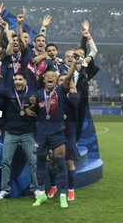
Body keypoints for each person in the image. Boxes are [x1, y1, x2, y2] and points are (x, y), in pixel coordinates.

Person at [27, 51, 80, 209]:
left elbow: (69, 77)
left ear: (56, 80)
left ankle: (63, 195)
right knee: (40, 164)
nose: (50, 77)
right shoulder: (38, 94)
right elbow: (31, 108)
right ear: (44, 79)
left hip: (57, 133)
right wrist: (30, 108)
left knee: (61, 163)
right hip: (42, 134)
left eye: (53, 76)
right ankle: (41, 194)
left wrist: (75, 62)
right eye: (47, 75)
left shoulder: (60, 92)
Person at [0, 71, 38, 199]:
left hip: (27, 133)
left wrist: (35, 104)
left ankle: (35, 189)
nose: (17, 82)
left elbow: (40, 110)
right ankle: (5, 190)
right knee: (6, 162)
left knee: (34, 162)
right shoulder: (9, 92)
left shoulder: (32, 95)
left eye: (20, 79)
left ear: (25, 81)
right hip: (10, 133)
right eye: (16, 79)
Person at [47, 73, 80, 201]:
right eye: (60, 80)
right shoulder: (52, 95)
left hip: (69, 133)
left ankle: (71, 189)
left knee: (69, 162)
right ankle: (53, 186)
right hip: (55, 133)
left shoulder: (73, 95)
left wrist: (72, 88)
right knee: (53, 162)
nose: (62, 82)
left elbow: (76, 103)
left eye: (65, 80)